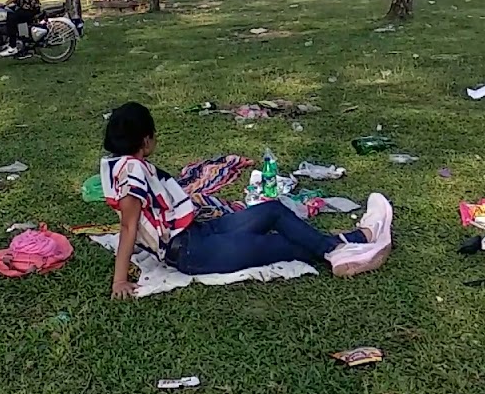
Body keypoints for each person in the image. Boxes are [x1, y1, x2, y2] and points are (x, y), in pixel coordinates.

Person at [100, 102, 393, 299]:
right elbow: (129, 227)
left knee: (272, 210)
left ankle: (340, 248)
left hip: (197, 233)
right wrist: (119, 281)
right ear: (147, 139)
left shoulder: (121, 167)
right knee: (280, 245)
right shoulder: (131, 175)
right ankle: (356, 240)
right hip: (193, 253)